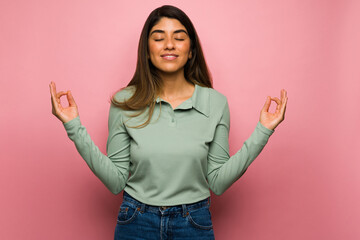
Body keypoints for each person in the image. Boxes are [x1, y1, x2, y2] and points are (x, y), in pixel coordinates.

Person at [49, 5, 287, 240]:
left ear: (191, 50)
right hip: (136, 221)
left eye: (179, 37)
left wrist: (263, 131)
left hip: (194, 222)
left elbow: (218, 182)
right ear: (146, 50)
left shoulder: (215, 103)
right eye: (159, 37)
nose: (169, 45)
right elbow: (115, 182)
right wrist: (74, 127)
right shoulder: (125, 102)